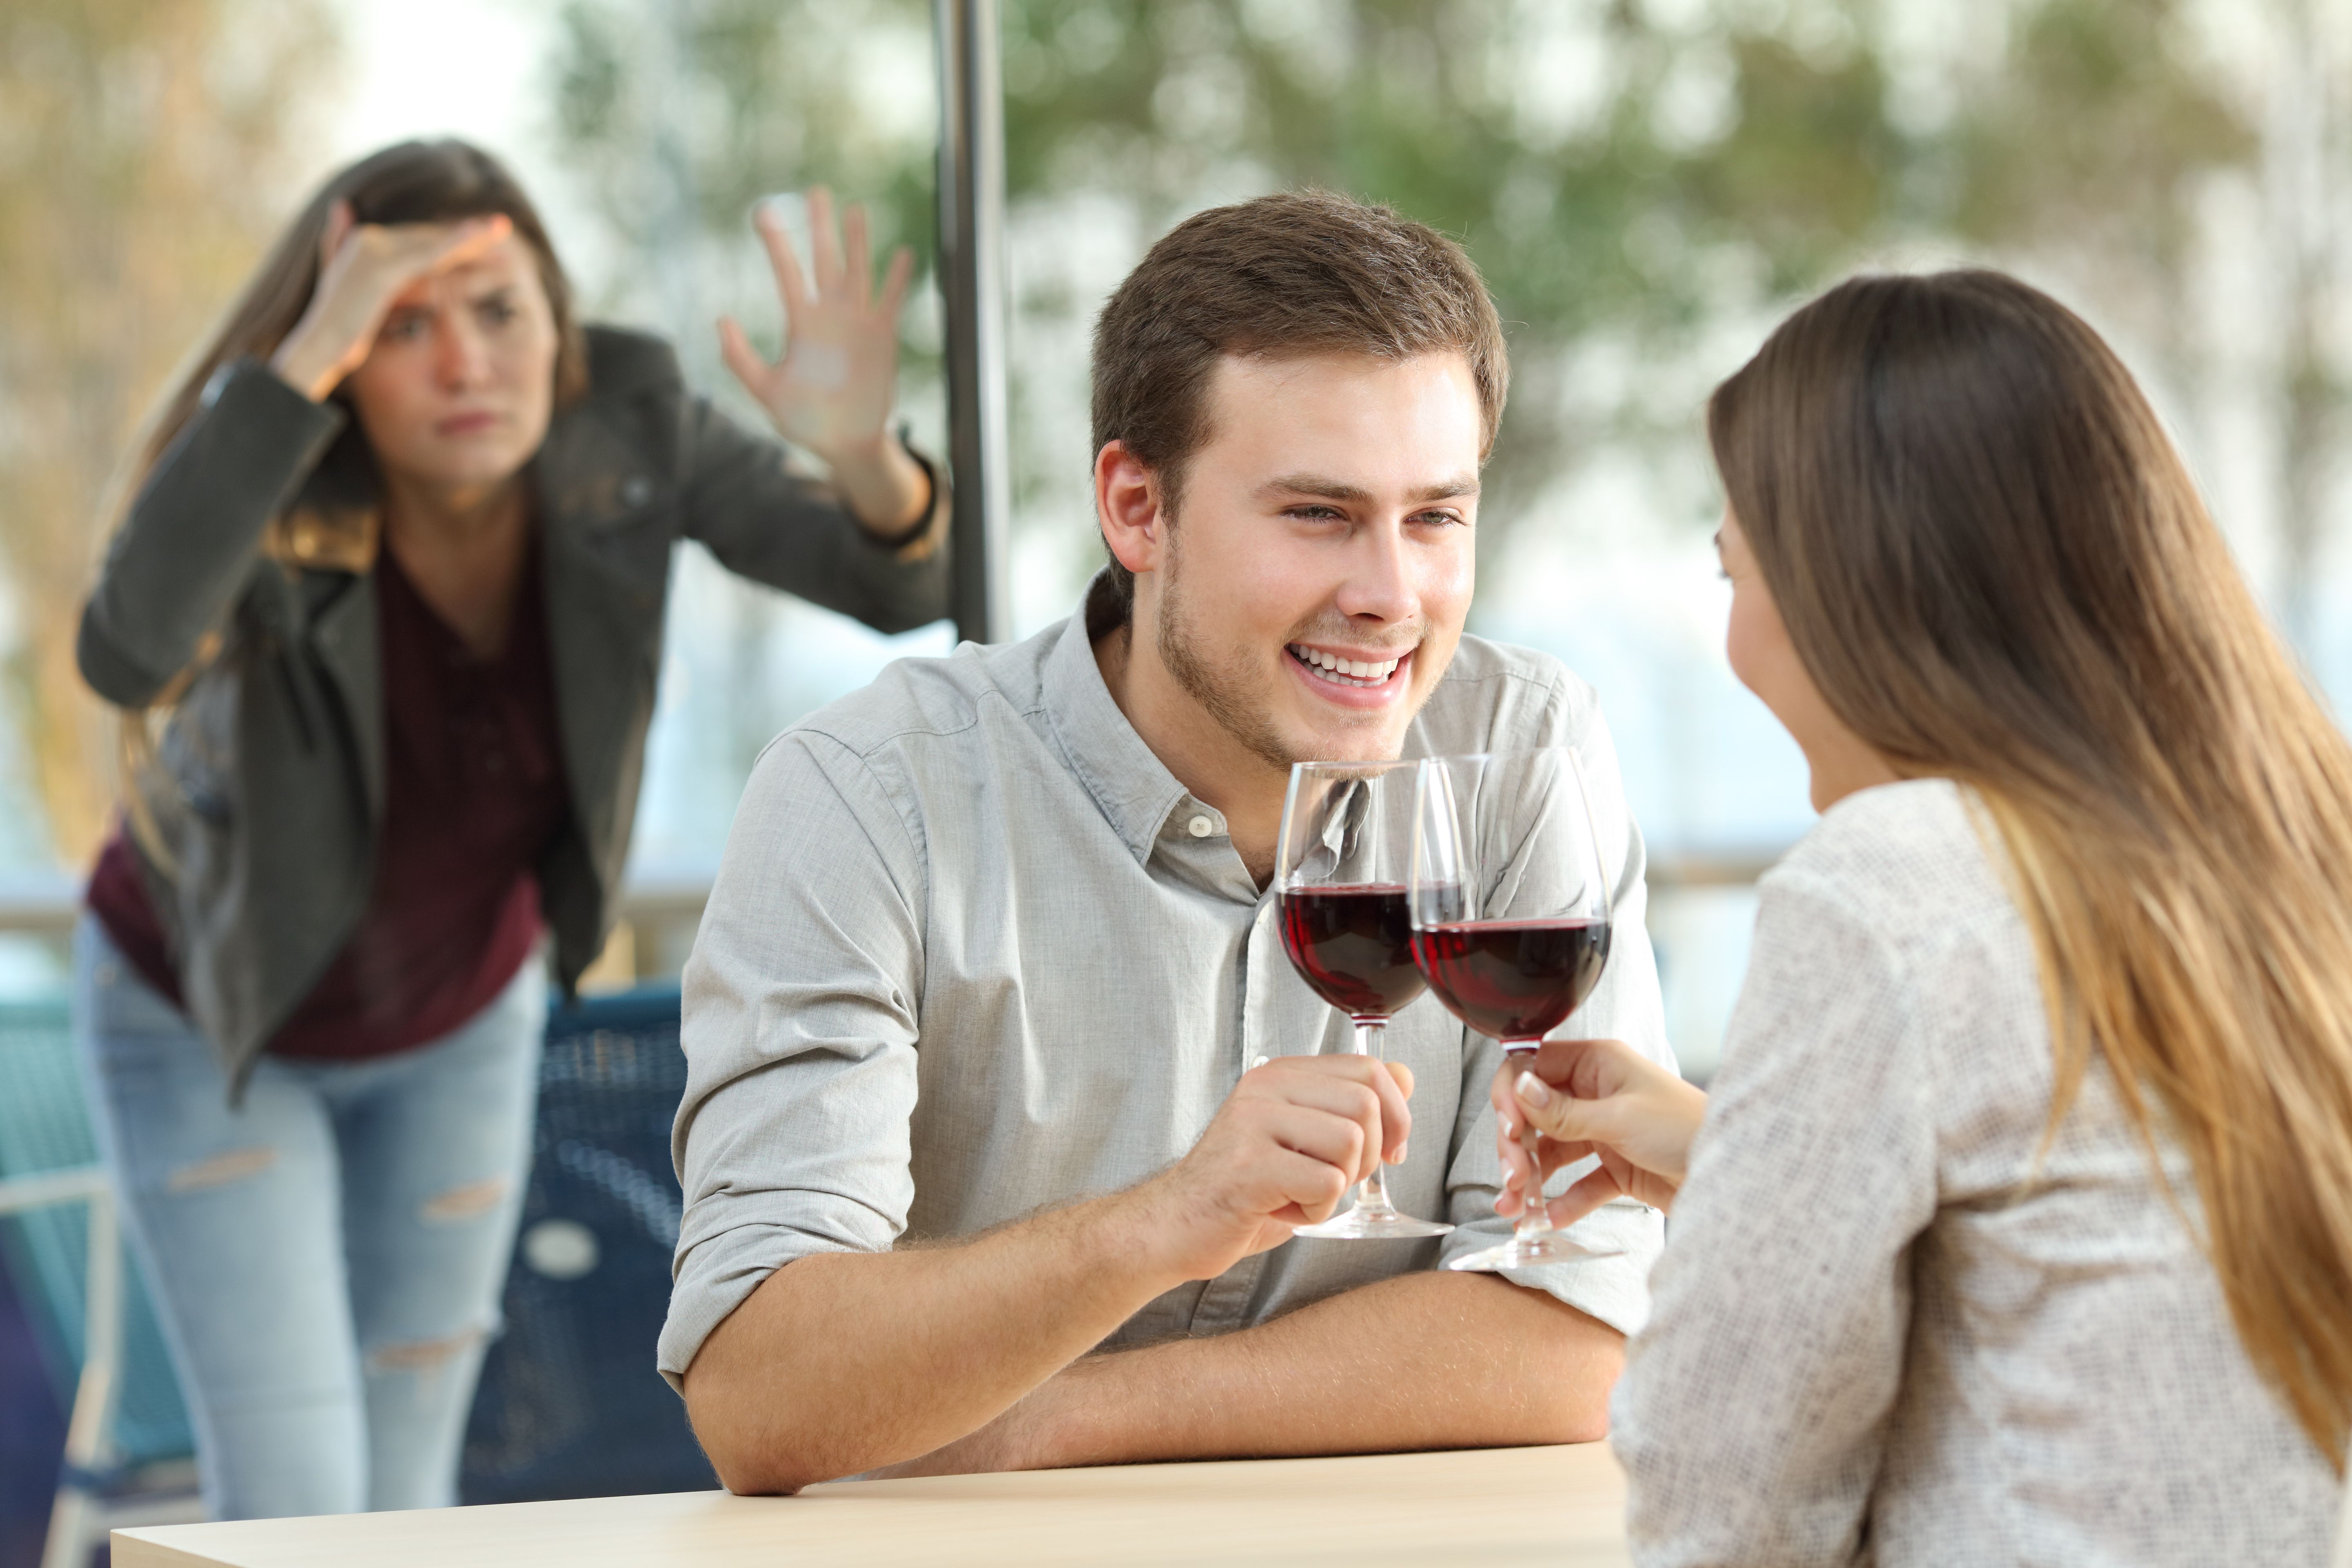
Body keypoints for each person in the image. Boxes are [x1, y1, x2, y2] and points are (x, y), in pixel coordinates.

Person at [667, 189, 1676, 1493]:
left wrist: (1051, 1419)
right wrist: (1162, 1226)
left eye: (1435, 517)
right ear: (1137, 508)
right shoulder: (871, 796)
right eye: (1317, 514)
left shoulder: (1521, 748)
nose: (1389, 598)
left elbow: (1573, 1340)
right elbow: (759, 1394)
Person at [72, 138, 948, 1520]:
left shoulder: (633, 426)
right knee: (294, 1493)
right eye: (399, 326)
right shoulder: (284, 476)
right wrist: (295, 368)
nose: (465, 363)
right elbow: (126, 651)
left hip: (455, 1020)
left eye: (498, 312)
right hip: (211, 1022)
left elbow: (903, 586)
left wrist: (860, 458)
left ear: (557, 325)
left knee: (420, 1486)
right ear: (342, 356)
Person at [1495, 270, 2350, 1564]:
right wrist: (1739, 1158)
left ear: (1855, 592)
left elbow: (1720, 1499)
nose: (1732, 633)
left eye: (1733, 573)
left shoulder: (1897, 878)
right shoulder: (2295, 845)